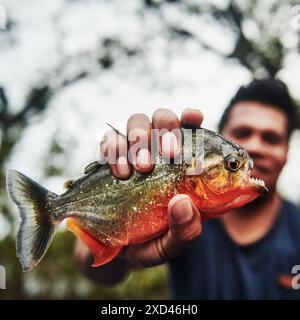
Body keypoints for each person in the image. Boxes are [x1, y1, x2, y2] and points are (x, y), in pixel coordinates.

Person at [74, 79, 300, 299]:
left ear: (287, 151)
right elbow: (90, 263)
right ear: (220, 135)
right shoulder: (183, 210)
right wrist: (123, 250)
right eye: (242, 133)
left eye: (271, 138)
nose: (255, 147)